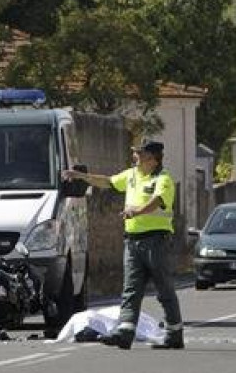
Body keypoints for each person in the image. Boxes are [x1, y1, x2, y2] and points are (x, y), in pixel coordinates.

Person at [63, 140, 184, 350]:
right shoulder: (131, 175)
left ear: (153, 159)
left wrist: (136, 212)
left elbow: (157, 201)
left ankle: (174, 334)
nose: (135, 156)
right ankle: (125, 332)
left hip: (156, 240)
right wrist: (83, 177)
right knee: (131, 289)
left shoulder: (163, 180)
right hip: (133, 240)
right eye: (136, 153)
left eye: (140, 153)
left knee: (164, 289)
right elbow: (108, 181)